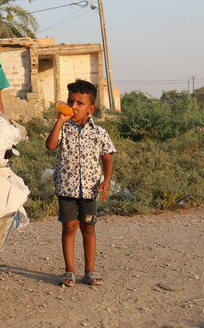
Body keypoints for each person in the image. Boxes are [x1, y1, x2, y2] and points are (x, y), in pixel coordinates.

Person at [45, 79, 116, 287]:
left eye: (79, 103)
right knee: (69, 226)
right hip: (66, 187)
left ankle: (90, 271)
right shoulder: (63, 129)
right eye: (70, 102)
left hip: (90, 188)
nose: (73, 107)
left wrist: (107, 181)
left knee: (88, 227)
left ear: (90, 108)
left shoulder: (99, 132)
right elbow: (50, 146)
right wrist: (59, 121)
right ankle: (69, 271)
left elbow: (107, 157)